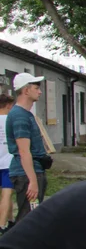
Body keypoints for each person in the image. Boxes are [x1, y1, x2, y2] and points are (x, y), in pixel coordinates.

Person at [5, 74, 50, 224]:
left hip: (34, 171)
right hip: (27, 175)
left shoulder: (26, 114)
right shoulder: (19, 116)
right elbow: (24, 151)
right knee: (28, 220)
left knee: (33, 217)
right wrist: (32, 181)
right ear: (25, 90)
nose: (40, 92)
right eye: (36, 88)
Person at [0, 94, 16, 233]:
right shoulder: (11, 121)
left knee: (5, 196)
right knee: (7, 194)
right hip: (8, 163)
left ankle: (10, 220)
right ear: (8, 105)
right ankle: (2, 225)